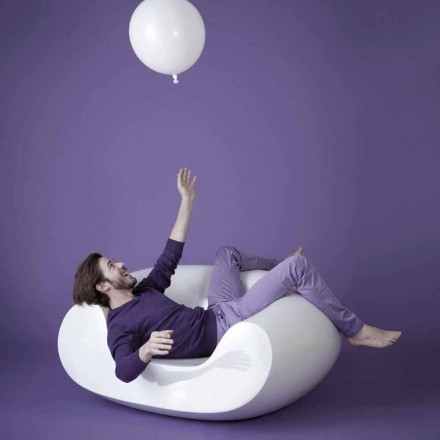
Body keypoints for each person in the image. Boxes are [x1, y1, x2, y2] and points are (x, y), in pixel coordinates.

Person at [72, 167, 402, 383]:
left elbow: (171, 253)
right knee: (300, 268)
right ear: (102, 285)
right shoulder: (120, 326)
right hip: (225, 327)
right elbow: (122, 371)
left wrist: (187, 200)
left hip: (216, 311)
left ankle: (280, 266)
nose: (122, 264)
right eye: (112, 266)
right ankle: (356, 330)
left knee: (226, 253)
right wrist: (145, 350)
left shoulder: (145, 290)